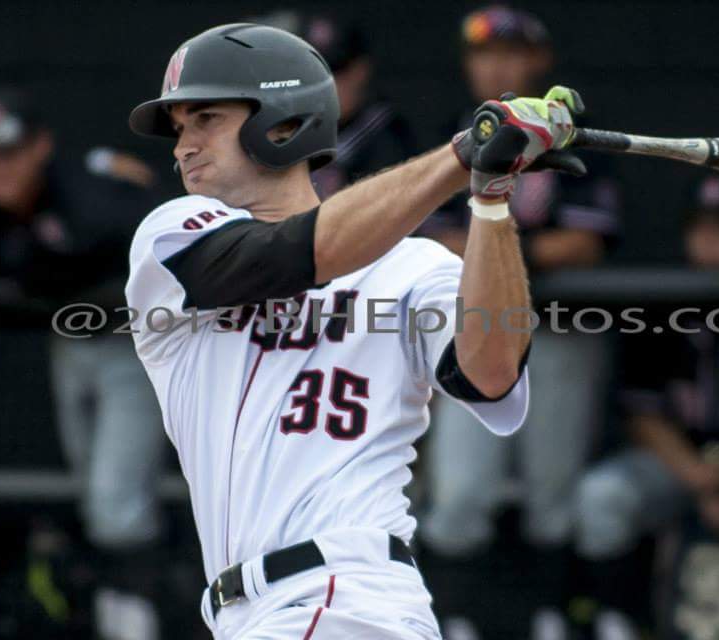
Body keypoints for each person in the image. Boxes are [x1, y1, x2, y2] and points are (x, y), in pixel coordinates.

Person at [125, 22, 585, 639]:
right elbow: (299, 252)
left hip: (343, 596)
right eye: (180, 128)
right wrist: (460, 157)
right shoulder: (173, 233)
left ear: (285, 123)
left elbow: (491, 375)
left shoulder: (414, 267)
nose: (184, 146)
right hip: (254, 611)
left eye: (206, 119)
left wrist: (491, 196)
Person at [415, 7, 620, 639]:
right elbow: (427, 238)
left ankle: (552, 619)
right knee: (459, 493)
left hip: (557, 331)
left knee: (554, 494)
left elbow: (584, 243)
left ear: (540, 59)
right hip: (471, 334)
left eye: (512, 51)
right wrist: (521, 247)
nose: (497, 65)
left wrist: (488, 245)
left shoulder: (572, 135)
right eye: (484, 53)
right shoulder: (451, 138)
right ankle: (451, 620)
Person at [0, 88, 167, 638]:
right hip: (67, 343)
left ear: (41, 146)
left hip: (131, 341)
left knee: (115, 499)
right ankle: (113, 601)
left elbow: (174, 257)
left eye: (12, 153)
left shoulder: (92, 197)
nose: (1, 169)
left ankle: (140, 610)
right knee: (91, 487)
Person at [574, 175, 719, 639]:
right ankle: (620, 622)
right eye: (701, 228)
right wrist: (701, 479)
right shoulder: (662, 303)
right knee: (602, 496)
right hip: (678, 465)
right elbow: (642, 415)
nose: (711, 240)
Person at [251, 10, 418, 198]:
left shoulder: (387, 140)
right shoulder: (284, 131)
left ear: (360, 70)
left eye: (333, 70)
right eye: (310, 71)